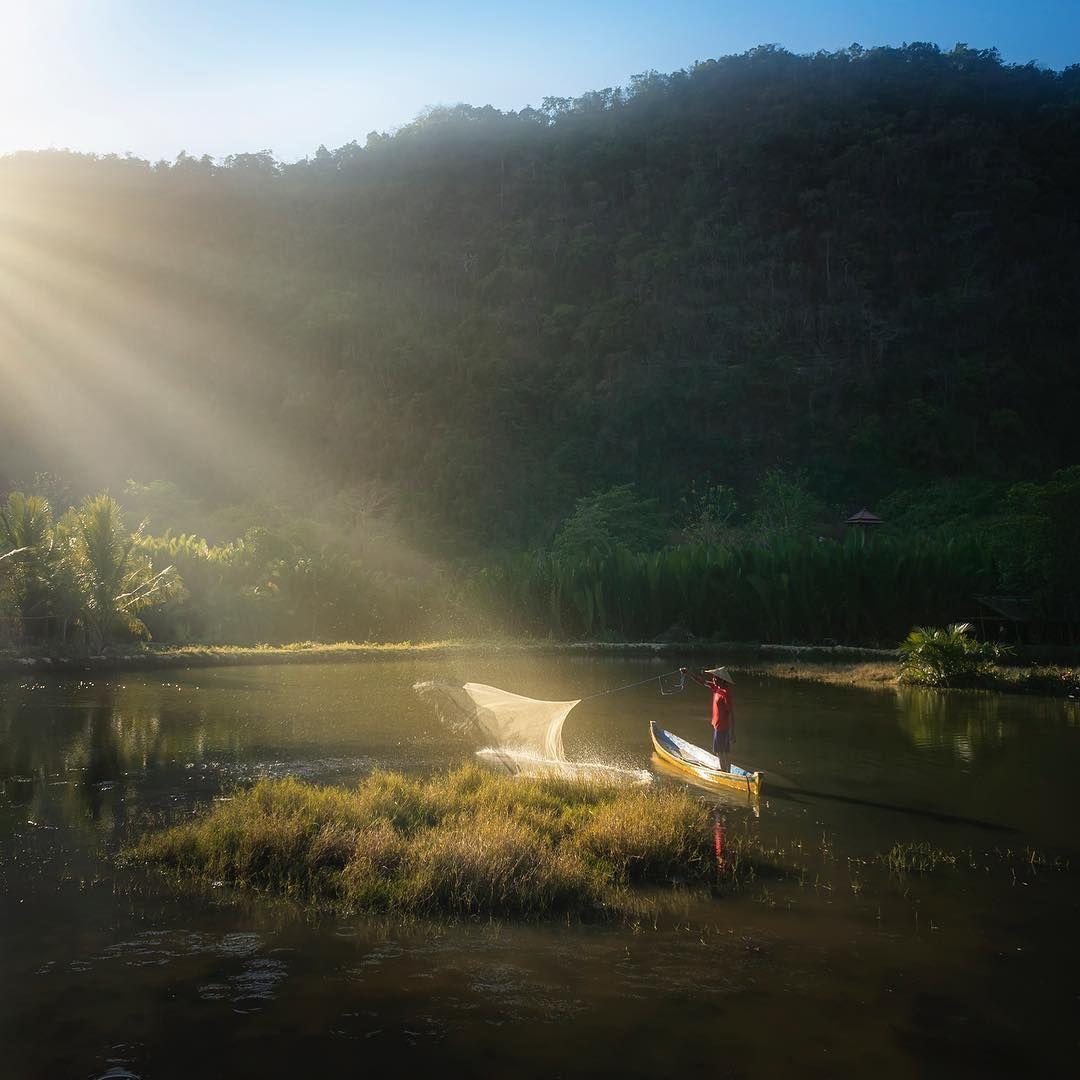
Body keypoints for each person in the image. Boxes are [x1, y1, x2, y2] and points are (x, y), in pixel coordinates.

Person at [680, 665, 735, 771]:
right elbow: (702, 681)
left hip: (722, 728)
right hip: (718, 726)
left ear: (721, 680)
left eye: (715, 678)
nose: (713, 679)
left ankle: (725, 772)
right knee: (722, 751)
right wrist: (688, 673)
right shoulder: (716, 688)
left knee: (721, 752)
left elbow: (731, 713)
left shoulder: (725, 693)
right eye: (713, 677)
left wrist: (733, 732)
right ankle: (726, 771)